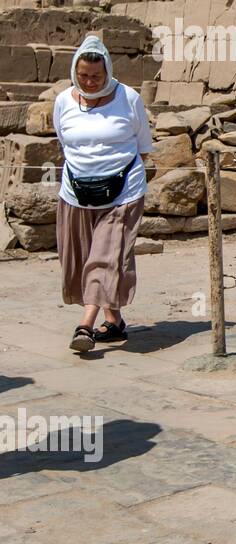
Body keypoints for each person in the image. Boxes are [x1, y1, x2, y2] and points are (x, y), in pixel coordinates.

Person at [53, 34, 153, 352]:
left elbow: (144, 147)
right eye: (84, 75)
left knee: (105, 257)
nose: (90, 81)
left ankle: (86, 325)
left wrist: (118, 172)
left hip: (123, 191)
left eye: (96, 76)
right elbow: (64, 143)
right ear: (74, 71)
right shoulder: (63, 102)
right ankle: (115, 322)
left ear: (108, 71)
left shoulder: (129, 98)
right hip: (76, 192)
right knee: (80, 259)